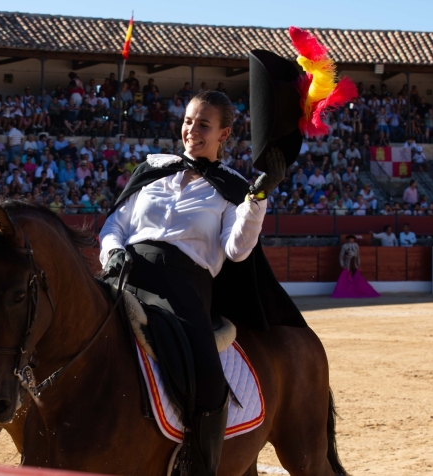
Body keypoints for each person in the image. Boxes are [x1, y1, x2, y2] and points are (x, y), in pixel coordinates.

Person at [100, 61, 306, 474]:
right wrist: (112, 252)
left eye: (205, 125)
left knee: (210, 384)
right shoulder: (151, 171)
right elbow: (115, 224)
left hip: (184, 290)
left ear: (224, 134)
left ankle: (199, 466)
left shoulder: (234, 189)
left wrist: (258, 199)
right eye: (189, 121)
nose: (192, 130)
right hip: (125, 273)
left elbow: (237, 250)